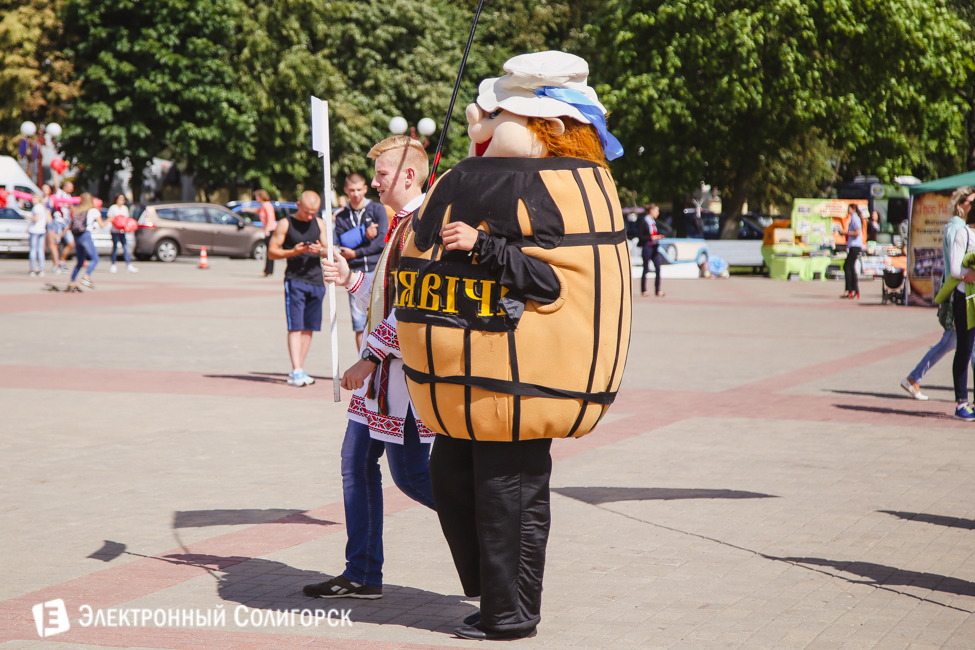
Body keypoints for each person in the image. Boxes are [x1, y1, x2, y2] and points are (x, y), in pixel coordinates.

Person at [398, 51, 631, 641]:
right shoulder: (471, 179)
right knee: (451, 478)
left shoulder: (567, 188)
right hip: (464, 376)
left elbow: (553, 280)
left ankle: (512, 614)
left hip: (521, 373)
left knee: (510, 496)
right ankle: (492, 593)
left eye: (499, 111)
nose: (481, 117)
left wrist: (483, 246)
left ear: (547, 127)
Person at [303, 136, 436, 601]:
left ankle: (492, 533)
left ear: (408, 175)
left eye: (381, 175)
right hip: (381, 382)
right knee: (356, 465)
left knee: (414, 476)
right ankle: (361, 573)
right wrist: (352, 279)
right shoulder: (402, 224)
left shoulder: (425, 225)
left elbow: (420, 308)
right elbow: (387, 301)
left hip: (405, 381)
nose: (373, 183)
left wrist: (367, 357)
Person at [901, 207, 970, 401]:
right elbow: (954, 268)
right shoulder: (958, 229)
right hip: (960, 294)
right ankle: (962, 401)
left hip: (958, 294)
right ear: (962, 205)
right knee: (967, 346)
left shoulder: (958, 228)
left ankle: (913, 378)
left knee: (950, 342)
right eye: (971, 202)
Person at [267, 191, 327, 387]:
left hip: (316, 280)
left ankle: (298, 369)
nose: (310, 216)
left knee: (309, 327)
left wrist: (320, 250)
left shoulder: (319, 223)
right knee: (295, 326)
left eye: (314, 212)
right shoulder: (286, 223)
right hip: (295, 280)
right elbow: (272, 252)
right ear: (298, 204)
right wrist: (294, 251)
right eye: (308, 212)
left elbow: (329, 250)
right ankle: (296, 369)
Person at [334, 173, 387, 349]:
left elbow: (381, 242)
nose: (356, 194)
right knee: (359, 323)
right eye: (352, 190)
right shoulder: (341, 216)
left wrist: (355, 251)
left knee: (381, 317)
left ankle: (378, 366)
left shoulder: (377, 209)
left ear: (365, 189)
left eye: (359, 190)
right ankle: (362, 362)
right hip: (354, 273)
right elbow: (341, 245)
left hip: (376, 269)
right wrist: (364, 234)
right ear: (345, 191)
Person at [944, 186, 975, 421]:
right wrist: (969, 274)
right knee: (964, 349)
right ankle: (961, 403)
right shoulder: (962, 233)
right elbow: (954, 268)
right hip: (965, 297)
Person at [68, 193, 109, 289]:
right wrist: (110, 219)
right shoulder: (94, 210)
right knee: (95, 258)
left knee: (80, 261)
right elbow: (102, 225)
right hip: (85, 235)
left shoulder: (78, 210)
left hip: (77, 236)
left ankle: (72, 281)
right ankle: (86, 276)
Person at [638, 203, 665, 297]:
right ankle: (644, 290)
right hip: (647, 247)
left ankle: (658, 290)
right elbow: (641, 236)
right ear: (651, 211)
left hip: (655, 247)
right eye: (656, 211)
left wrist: (658, 237)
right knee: (646, 268)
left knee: (658, 267)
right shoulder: (644, 221)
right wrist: (651, 238)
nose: (658, 213)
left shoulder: (653, 222)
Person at [107, 194, 137, 273]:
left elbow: (126, 219)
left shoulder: (124, 208)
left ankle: (129, 265)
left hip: (122, 231)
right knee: (115, 248)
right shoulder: (113, 208)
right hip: (115, 231)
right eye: (121, 199)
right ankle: (113, 264)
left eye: (123, 199)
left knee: (125, 247)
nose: (122, 201)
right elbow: (110, 218)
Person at [838, 204, 863, 299]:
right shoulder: (853, 218)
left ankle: (849, 289)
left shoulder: (855, 218)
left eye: (849, 208)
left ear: (853, 209)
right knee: (851, 267)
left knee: (847, 266)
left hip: (855, 246)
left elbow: (857, 232)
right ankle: (854, 290)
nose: (848, 210)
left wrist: (845, 232)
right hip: (853, 246)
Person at [28, 193, 49, 277]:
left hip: (35, 230)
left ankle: (32, 269)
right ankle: (41, 268)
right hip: (41, 230)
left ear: (39, 199)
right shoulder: (43, 207)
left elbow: (35, 219)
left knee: (33, 250)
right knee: (40, 250)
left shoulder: (36, 207)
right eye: (33, 199)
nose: (33, 200)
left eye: (35, 199)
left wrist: (27, 216)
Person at [54, 181, 76, 264]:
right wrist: (56, 171)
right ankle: (56, 263)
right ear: (65, 187)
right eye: (71, 187)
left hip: (67, 222)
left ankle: (61, 261)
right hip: (59, 221)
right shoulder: (60, 193)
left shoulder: (69, 196)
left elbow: (72, 208)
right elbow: (55, 183)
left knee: (71, 243)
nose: (72, 189)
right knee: (56, 242)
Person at [255, 190, 276, 277]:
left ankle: (268, 270)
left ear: (261, 197)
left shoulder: (267, 205)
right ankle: (268, 270)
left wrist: (267, 230)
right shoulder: (263, 206)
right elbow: (257, 211)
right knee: (268, 250)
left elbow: (270, 218)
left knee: (269, 251)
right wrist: (246, 209)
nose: (256, 199)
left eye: (257, 197)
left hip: (270, 231)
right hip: (268, 230)